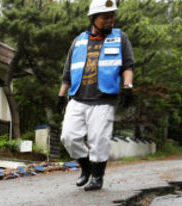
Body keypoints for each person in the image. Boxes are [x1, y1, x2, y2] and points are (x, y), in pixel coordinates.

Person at [56, 0, 134, 191]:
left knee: (99, 139)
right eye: (105, 17)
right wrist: (60, 96)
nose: (110, 20)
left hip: (103, 98)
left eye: (112, 16)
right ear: (93, 18)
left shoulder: (120, 37)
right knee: (68, 137)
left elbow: (128, 66)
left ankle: (97, 177)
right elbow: (67, 72)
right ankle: (86, 168)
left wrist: (128, 86)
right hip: (78, 97)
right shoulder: (78, 40)